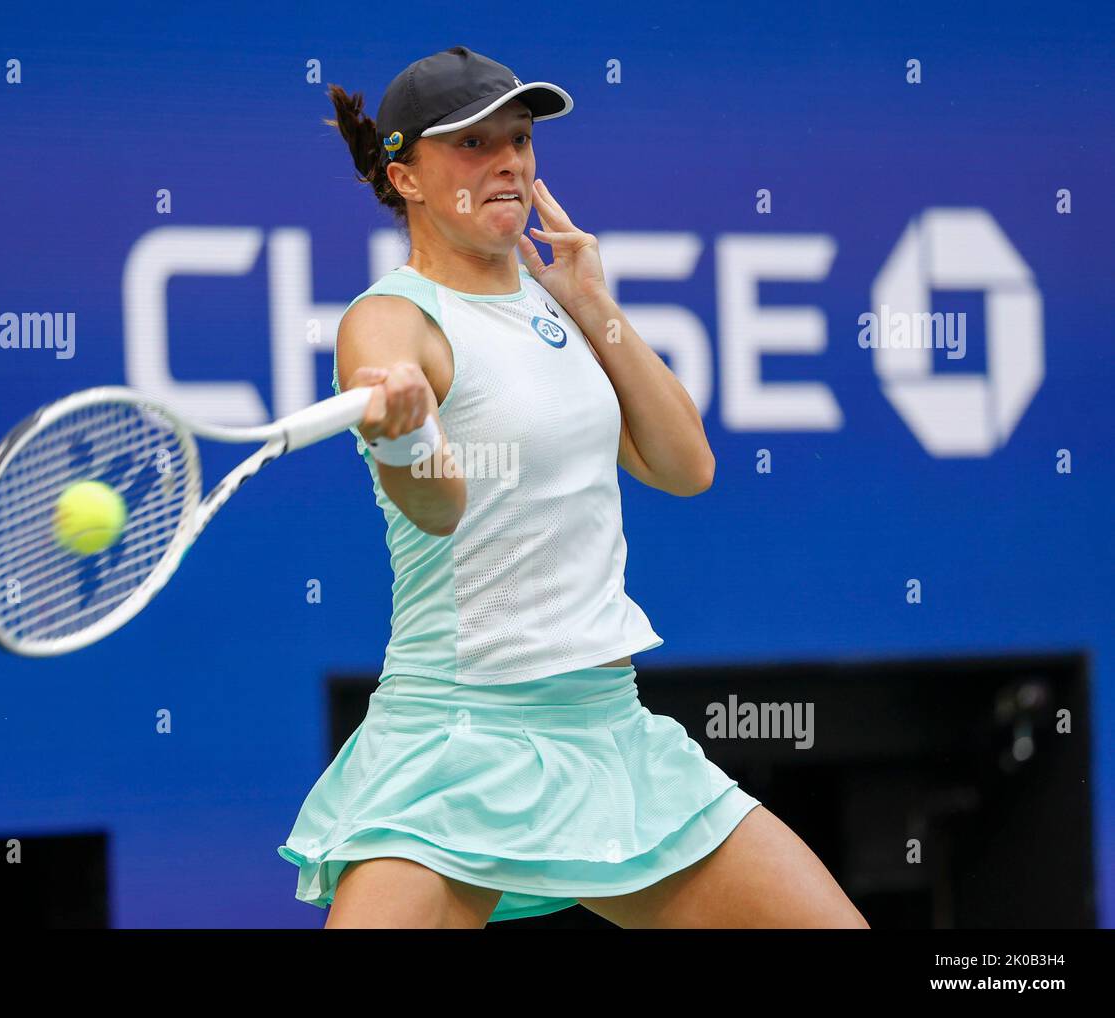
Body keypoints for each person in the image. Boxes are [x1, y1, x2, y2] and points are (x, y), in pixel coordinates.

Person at [277, 45, 868, 929]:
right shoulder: (390, 321)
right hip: (456, 741)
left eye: (518, 138)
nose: (508, 159)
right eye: (472, 144)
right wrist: (403, 438)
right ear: (405, 177)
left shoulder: (557, 305)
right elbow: (437, 505)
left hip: (609, 732)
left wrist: (595, 305)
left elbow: (686, 467)